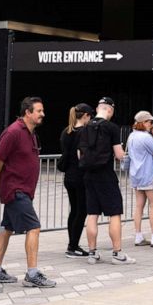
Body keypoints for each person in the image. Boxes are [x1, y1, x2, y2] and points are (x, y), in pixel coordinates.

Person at [0, 96, 56, 288]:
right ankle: (32, 274)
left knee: (7, 228)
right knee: (34, 227)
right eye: (39, 111)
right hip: (15, 189)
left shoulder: (30, 133)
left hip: (23, 190)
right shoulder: (13, 132)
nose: (42, 114)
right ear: (28, 112)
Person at [79, 97, 135, 264]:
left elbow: (79, 154)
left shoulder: (85, 127)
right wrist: (124, 154)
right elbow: (119, 155)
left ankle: (92, 252)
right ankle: (117, 253)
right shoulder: (111, 128)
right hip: (106, 175)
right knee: (115, 213)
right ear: (110, 110)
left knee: (92, 214)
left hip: (88, 175)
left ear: (97, 108)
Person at [127, 110, 153, 248]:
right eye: (150, 122)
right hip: (148, 174)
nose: (152, 124)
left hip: (136, 174)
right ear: (143, 123)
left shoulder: (131, 136)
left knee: (139, 206)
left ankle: (138, 235)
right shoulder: (146, 137)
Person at [60, 103, 93, 258]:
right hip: (80, 176)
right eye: (90, 116)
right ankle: (73, 246)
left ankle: (72, 243)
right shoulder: (84, 132)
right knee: (82, 211)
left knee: (74, 210)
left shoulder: (66, 131)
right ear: (85, 115)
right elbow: (82, 156)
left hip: (69, 176)